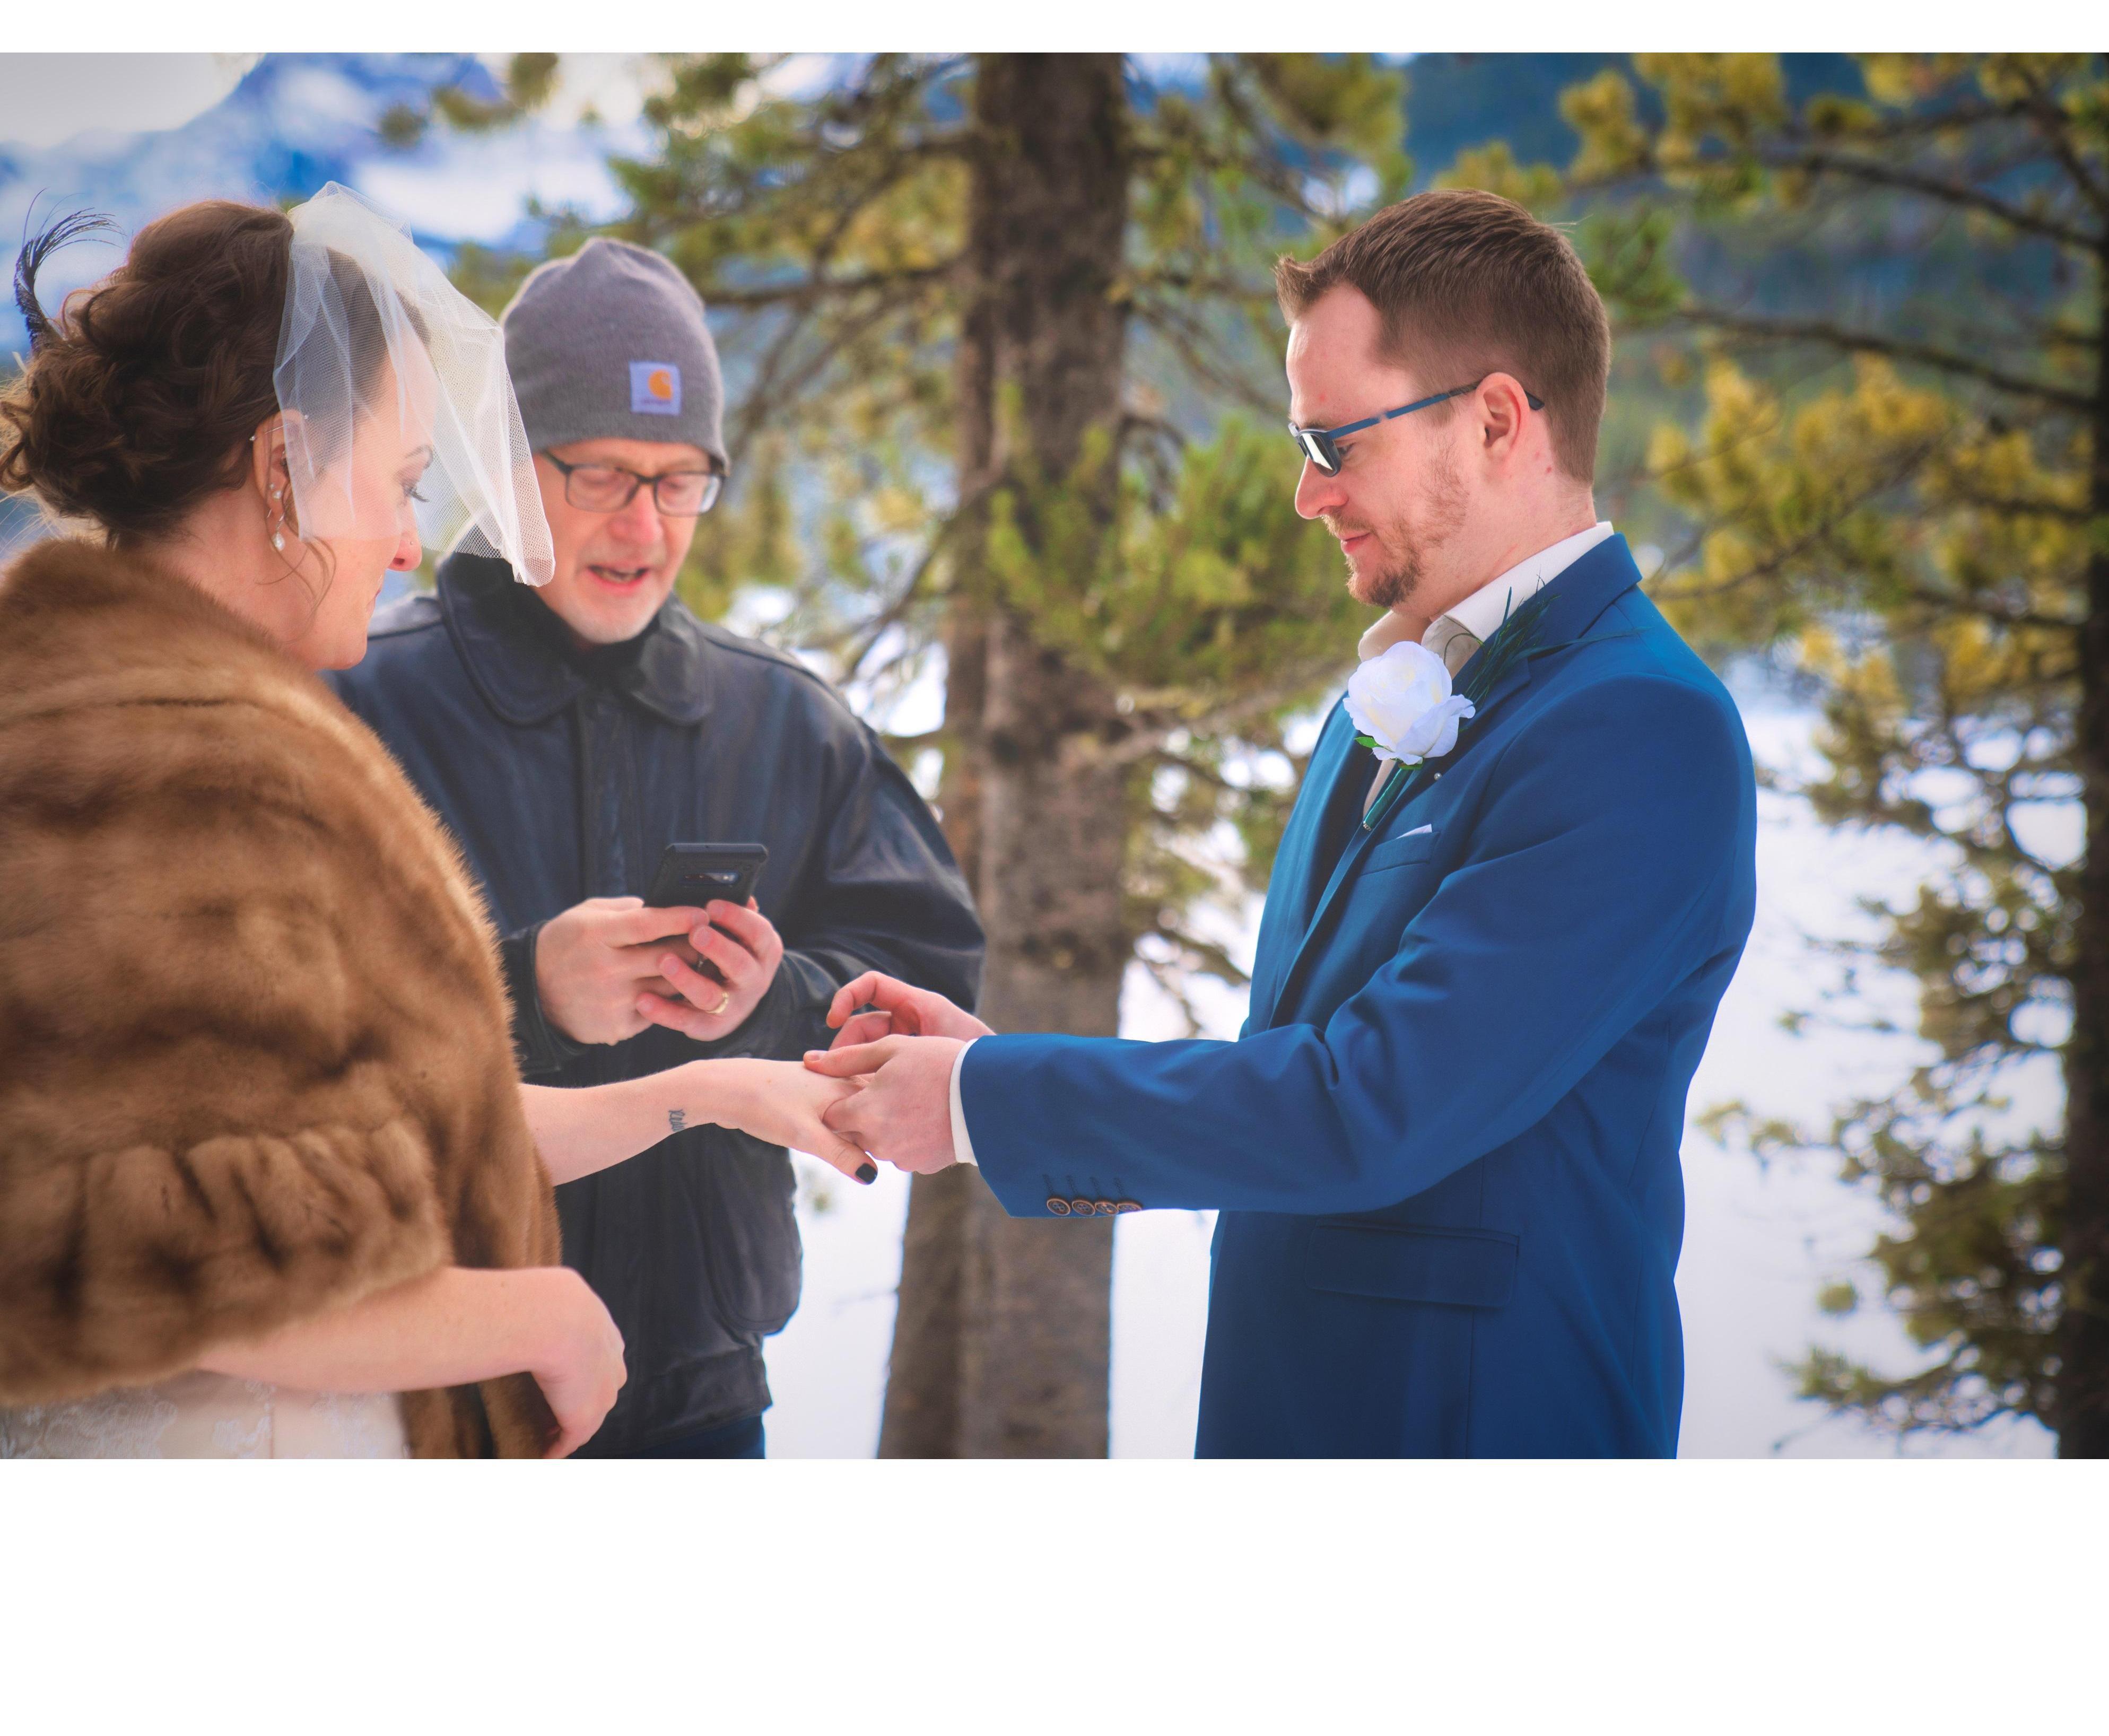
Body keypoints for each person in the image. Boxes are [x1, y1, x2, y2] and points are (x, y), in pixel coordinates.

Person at [809, 189, 1760, 1459]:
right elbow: (1300, 1071)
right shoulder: (1392, 691)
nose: (1307, 495)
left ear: (1493, 421)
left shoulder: (1638, 726)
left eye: (1332, 443)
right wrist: (994, 1062)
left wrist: (988, 1100)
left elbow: (1369, 1105)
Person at [0, 193, 865, 1461]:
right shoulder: (171, 754)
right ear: (284, 466)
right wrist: (539, 1315)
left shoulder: (153, 715)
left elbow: (360, 1134)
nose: (412, 543)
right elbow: (155, 1249)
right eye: (403, 483)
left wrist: (706, 1089)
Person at [330, 237, 983, 1459]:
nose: (644, 525)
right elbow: (286, 1049)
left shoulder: (785, 715)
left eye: (681, 481)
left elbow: (931, 984)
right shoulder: (364, 702)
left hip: (704, 1391)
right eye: (602, 475)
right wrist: (524, 991)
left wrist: (766, 1000)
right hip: (425, 1385)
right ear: (507, 464)